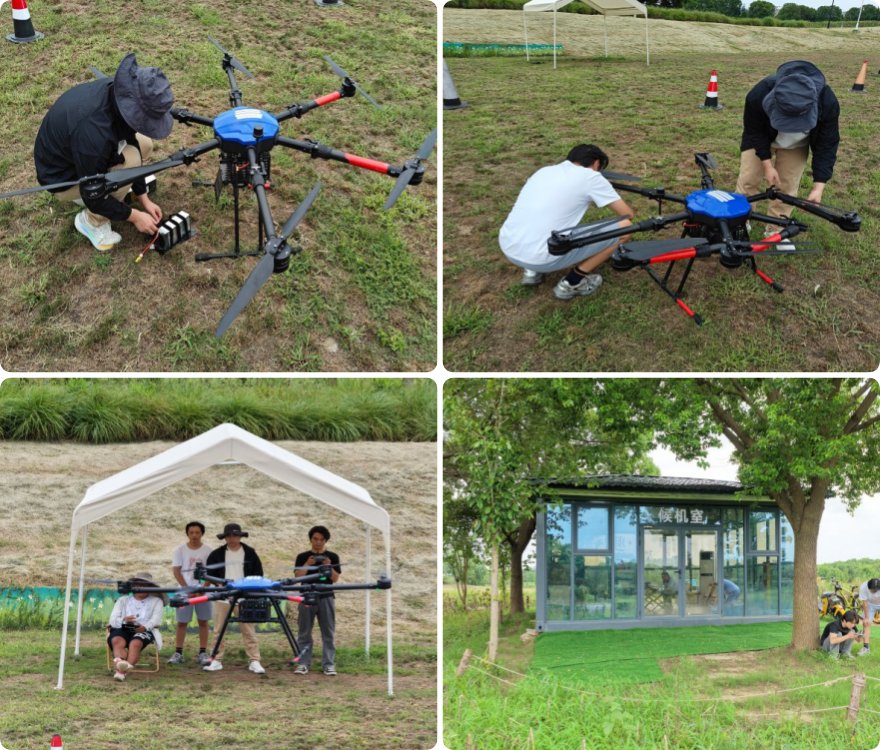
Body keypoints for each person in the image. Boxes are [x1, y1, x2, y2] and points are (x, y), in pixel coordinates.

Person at [34, 52, 174, 252]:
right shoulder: (93, 133)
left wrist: (143, 197)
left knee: (144, 144)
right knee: (132, 160)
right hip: (62, 177)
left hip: (81, 154)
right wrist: (135, 216)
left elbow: (131, 138)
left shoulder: (120, 95)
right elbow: (93, 194)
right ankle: (91, 222)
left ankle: (122, 192)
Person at [498, 144, 633, 300]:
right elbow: (627, 214)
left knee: (546, 219)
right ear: (596, 163)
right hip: (541, 258)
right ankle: (571, 283)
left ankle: (531, 272)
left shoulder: (544, 171)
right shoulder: (592, 177)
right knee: (625, 228)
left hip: (508, 246)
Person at [735, 60, 840, 249]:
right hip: (762, 138)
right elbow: (755, 132)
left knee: (788, 186)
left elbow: (827, 145)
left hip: (796, 146)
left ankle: (776, 230)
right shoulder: (758, 94)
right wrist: (767, 164)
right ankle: (740, 222)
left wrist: (818, 187)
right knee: (748, 179)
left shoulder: (828, 102)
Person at [202, 523, 266, 674]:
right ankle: (216, 659)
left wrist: (249, 588)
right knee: (218, 630)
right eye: (229, 535)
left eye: (235, 535)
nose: (232, 538)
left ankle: (254, 660)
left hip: (245, 597)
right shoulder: (216, 554)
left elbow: (258, 573)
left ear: (240, 536)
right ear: (225, 537)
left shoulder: (250, 553)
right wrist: (219, 585)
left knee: (249, 630)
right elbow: (209, 574)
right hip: (222, 597)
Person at [292, 525, 341, 676]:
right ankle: (303, 663)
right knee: (304, 632)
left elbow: (335, 578)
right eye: (315, 539)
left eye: (321, 539)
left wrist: (329, 566)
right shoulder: (302, 556)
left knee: (328, 632)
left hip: (326, 596)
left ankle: (329, 664)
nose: (318, 542)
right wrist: (308, 564)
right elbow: (297, 576)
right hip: (306, 597)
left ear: (326, 541)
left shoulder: (333, 557)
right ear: (311, 540)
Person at [107, 572, 167, 682]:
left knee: (136, 643)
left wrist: (145, 627)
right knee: (116, 640)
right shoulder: (123, 600)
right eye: (138, 584)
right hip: (124, 627)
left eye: (144, 585)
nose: (141, 587)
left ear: (150, 587)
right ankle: (121, 666)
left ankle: (121, 671)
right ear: (133, 586)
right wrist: (124, 619)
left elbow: (156, 620)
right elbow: (113, 619)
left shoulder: (156, 601)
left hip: (144, 629)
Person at [168, 521, 212, 666]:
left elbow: (211, 573)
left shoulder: (208, 551)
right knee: (182, 622)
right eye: (191, 532)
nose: (194, 535)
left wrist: (202, 589)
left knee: (203, 621)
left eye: (197, 532)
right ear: (187, 534)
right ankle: (178, 652)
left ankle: (203, 652)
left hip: (203, 592)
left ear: (202, 534)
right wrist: (187, 589)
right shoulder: (180, 550)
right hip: (184, 592)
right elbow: (176, 571)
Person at [857, 578, 880, 656]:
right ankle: (866, 648)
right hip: (870, 605)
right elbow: (865, 603)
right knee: (866, 624)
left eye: (874, 590)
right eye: (871, 590)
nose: (872, 592)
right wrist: (866, 618)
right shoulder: (864, 587)